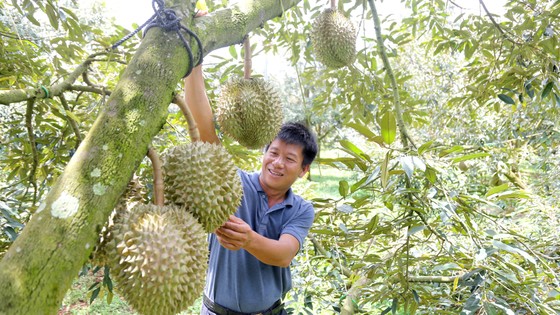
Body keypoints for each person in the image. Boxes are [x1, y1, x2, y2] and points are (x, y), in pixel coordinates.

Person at [184, 65, 318, 315]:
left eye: (289, 159)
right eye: (273, 153)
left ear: (303, 170)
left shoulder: (301, 209)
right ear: (264, 153)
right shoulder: (231, 181)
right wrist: (195, 63)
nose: (277, 163)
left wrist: (248, 239)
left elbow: (283, 254)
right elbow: (204, 128)